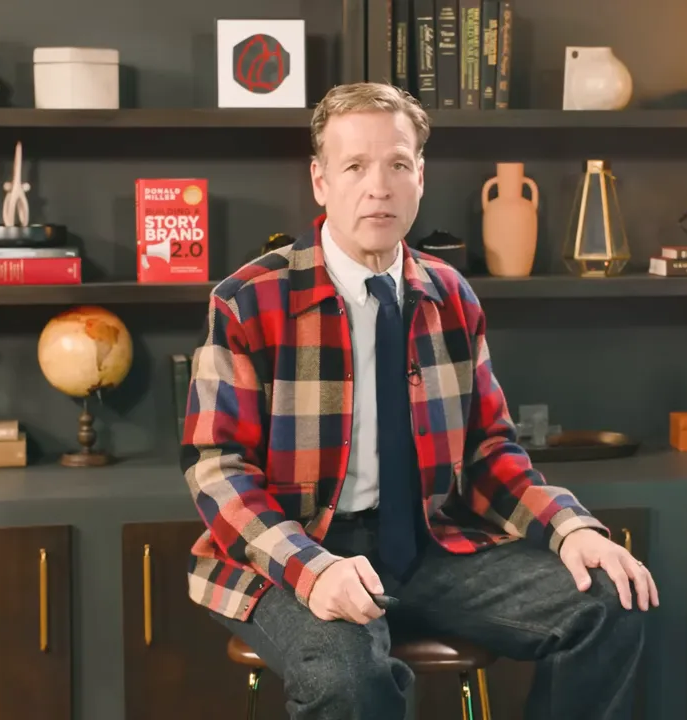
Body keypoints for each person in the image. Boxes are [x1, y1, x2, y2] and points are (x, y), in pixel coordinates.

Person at [181, 81, 658, 720]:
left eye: (398, 164)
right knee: (350, 677)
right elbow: (219, 470)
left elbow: (490, 450)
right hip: (297, 547)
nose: (378, 186)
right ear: (320, 181)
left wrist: (569, 526)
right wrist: (314, 568)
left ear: (420, 176)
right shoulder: (248, 300)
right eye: (355, 166)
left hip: (429, 541)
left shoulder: (450, 294)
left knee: (610, 602)